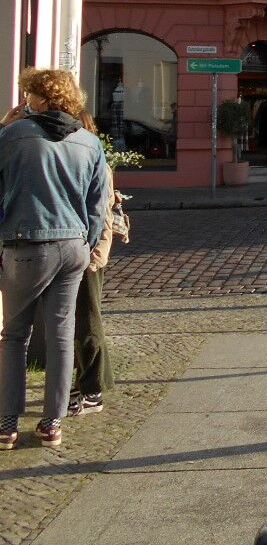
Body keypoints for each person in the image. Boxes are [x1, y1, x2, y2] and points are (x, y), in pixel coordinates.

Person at [0, 68, 109, 450]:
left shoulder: (13, 135)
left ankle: (7, 424)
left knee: (15, 336)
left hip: (25, 245)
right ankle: (51, 424)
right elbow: (99, 207)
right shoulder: (89, 142)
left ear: (42, 99)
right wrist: (85, 242)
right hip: (73, 247)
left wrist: (4, 125)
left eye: (30, 94)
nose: (26, 99)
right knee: (62, 336)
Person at [70, 110, 123, 418]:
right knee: (79, 319)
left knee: (87, 319)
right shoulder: (88, 154)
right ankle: (89, 383)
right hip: (83, 248)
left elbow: (98, 211)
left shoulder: (93, 158)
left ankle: (92, 389)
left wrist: (88, 250)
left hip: (88, 252)